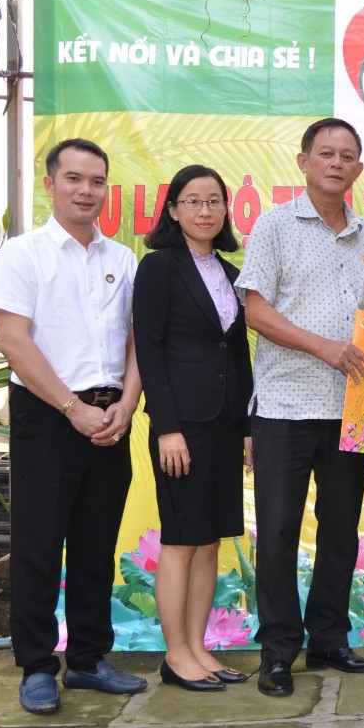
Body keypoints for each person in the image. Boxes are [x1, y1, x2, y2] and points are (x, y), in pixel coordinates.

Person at [0, 138, 147, 714]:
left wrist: (126, 405)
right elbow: (14, 342)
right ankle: (36, 666)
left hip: (111, 414)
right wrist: (71, 408)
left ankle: (87, 660)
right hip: (49, 413)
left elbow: (137, 342)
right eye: (75, 179)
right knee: (38, 544)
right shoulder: (23, 254)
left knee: (95, 545)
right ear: (51, 183)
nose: (87, 191)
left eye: (97, 181)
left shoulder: (123, 259)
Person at [235, 118, 364, 698]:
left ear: (359, 169)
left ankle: (329, 638)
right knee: (276, 531)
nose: (336, 163)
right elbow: (256, 312)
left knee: (341, 529)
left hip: (354, 407)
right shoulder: (274, 226)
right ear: (303, 161)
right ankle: (277, 652)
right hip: (284, 405)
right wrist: (326, 347)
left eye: (347, 155)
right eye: (326, 153)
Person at [133, 165, 254, 693]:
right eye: (193, 201)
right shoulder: (159, 268)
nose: (205, 210)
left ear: (227, 209)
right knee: (182, 541)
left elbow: (238, 351)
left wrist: (249, 425)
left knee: (210, 543)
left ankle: (200, 647)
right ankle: (176, 654)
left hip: (226, 423)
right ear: (174, 210)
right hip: (182, 425)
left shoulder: (230, 272)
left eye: (214, 201)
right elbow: (150, 350)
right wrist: (166, 427)